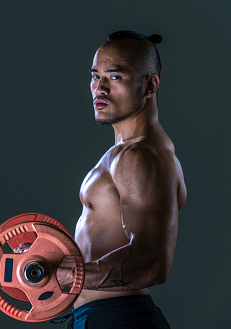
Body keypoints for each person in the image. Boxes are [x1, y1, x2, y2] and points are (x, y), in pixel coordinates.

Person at [55, 30, 187, 329]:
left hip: (120, 318)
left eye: (115, 77)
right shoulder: (122, 153)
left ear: (149, 85)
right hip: (99, 317)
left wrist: (73, 275)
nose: (99, 88)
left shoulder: (140, 156)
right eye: (95, 76)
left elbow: (153, 261)